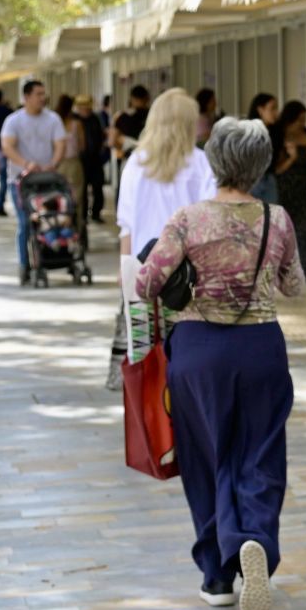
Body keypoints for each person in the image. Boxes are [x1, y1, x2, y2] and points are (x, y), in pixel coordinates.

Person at [137, 117, 306, 610]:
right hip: (261, 348)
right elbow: (294, 285)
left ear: (213, 162)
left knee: (206, 455)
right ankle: (253, 538)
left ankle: (216, 574)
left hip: (198, 351)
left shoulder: (188, 219)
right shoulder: (277, 218)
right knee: (259, 453)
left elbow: (148, 283)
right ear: (261, 164)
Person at [111, 90, 217, 391]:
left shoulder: (136, 163)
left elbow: (126, 224)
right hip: (188, 275)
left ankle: (151, 421)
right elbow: (208, 219)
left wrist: (125, 268)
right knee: (186, 350)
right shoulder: (201, 164)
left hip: (143, 270)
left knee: (144, 353)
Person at [1, 78, 68, 287]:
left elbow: (60, 144)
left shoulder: (53, 119)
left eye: (43, 94)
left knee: (53, 218)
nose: (42, 98)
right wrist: (25, 164)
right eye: (38, 94)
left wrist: (53, 163)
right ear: (27, 97)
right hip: (22, 181)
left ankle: (52, 257)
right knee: (26, 223)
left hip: (48, 181)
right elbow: (8, 146)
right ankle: (25, 264)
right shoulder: (14, 121)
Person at [268, 100, 306, 296]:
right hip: (285, 193)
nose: (303, 123)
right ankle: (277, 278)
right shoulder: (279, 135)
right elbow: (275, 169)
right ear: (290, 119)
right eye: (299, 119)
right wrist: (292, 157)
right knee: (281, 238)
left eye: (304, 119)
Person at [55, 93, 88, 235]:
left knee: (58, 198)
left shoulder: (54, 124)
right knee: (76, 198)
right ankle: (77, 231)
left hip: (56, 164)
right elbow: (82, 146)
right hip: (74, 164)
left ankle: (58, 229)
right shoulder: (77, 124)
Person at [78, 96, 108, 223]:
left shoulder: (96, 118)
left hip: (95, 158)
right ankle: (83, 214)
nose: (86, 109)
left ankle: (96, 213)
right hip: (81, 159)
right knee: (82, 189)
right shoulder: (76, 120)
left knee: (98, 187)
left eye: (88, 106)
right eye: (83, 106)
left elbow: (102, 135)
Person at [109, 85, 150, 176]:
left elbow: (112, 141)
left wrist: (123, 146)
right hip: (150, 162)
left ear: (131, 99)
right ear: (147, 98)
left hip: (128, 160)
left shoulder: (122, 117)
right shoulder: (153, 115)